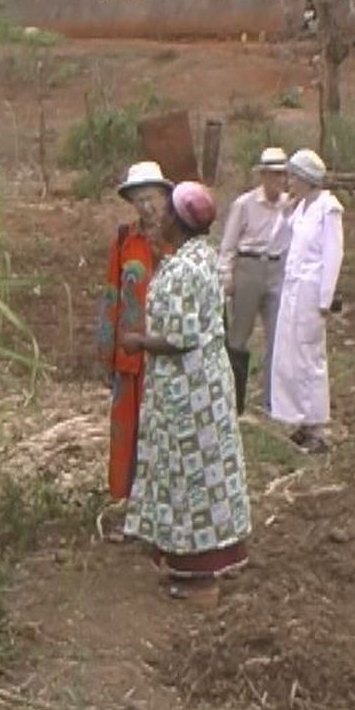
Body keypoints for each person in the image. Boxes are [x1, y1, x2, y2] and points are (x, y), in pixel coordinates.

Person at [119, 181, 251, 604]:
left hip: (187, 391)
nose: (159, 218)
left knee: (191, 476)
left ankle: (200, 581)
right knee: (202, 472)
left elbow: (178, 336)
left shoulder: (182, 269)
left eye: (166, 213)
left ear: (179, 220)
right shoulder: (203, 258)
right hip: (203, 385)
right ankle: (192, 567)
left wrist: (138, 342)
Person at [97, 161, 173, 509]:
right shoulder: (125, 239)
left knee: (165, 429)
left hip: (169, 352)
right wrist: (106, 350)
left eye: (152, 197)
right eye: (139, 199)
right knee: (128, 429)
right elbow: (111, 294)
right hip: (130, 354)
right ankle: (130, 503)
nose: (147, 206)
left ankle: (164, 504)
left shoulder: (179, 239)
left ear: (164, 196)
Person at [270, 149, 344, 454]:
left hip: (311, 292)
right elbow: (277, 243)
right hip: (292, 289)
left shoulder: (328, 209)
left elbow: (333, 254)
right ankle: (300, 419)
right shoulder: (300, 209)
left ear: (305, 179)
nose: (288, 182)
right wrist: (285, 212)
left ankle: (317, 427)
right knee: (290, 354)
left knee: (311, 355)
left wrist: (325, 297)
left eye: (292, 177)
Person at [217, 147, 291, 414]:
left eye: (282, 175)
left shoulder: (289, 205)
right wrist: (226, 275)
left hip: (276, 268)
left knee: (278, 336)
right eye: (273, 175)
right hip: (248, 267)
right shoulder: (245, 204)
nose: (278, 181)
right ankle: (232, 398)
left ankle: (273, 401)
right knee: (238, 336)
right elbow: (228, 244)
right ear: (263, 176)